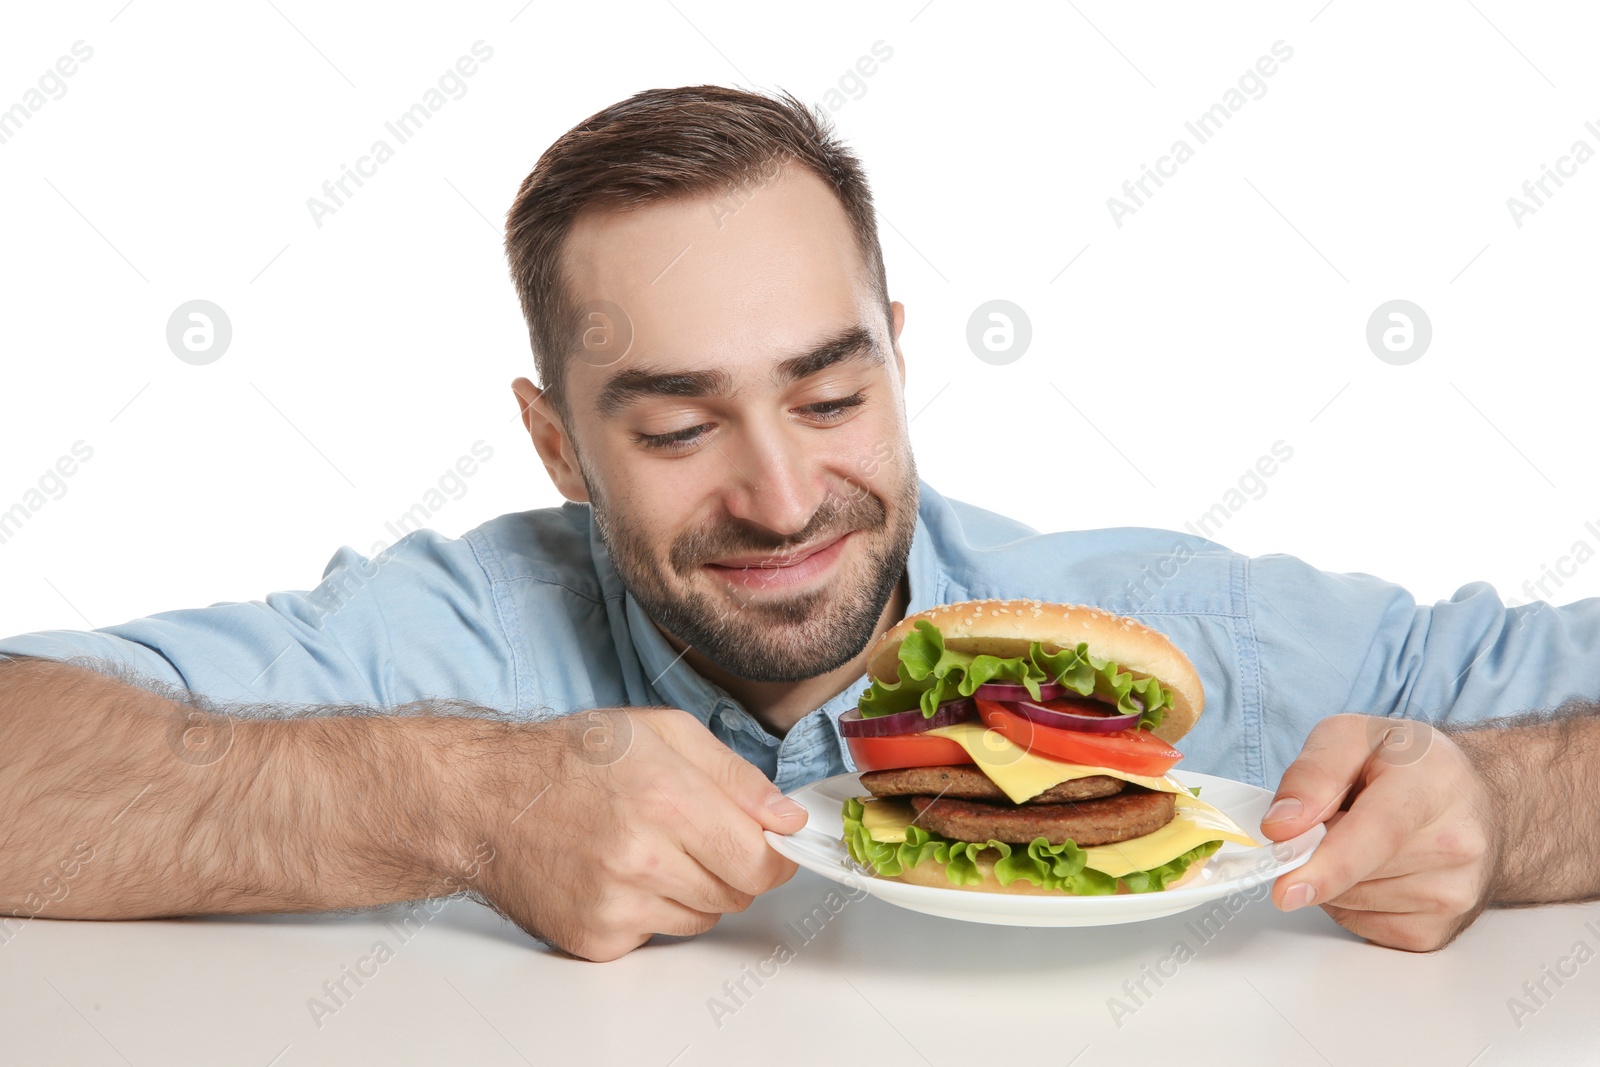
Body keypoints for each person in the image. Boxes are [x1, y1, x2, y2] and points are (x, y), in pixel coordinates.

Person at [1, 86, 1596, 963]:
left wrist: (1499, 815)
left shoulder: (1200, 631)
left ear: (896, 355)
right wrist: (468, 804)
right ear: (556, 443)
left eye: (831, 399)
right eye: (679, 426)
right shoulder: (461, 639)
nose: (777, 498)